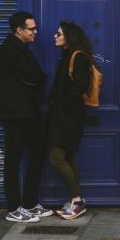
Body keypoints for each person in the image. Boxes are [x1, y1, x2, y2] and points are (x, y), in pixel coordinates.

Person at [0, 11, 51, 223]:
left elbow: (38, 75)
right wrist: (32, 80)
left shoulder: (22, 49)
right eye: (32, 29)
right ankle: (13, 208)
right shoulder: (10, 49)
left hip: (27, 112)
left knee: (37, 154)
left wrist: (32, 80)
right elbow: (35, 75)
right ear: (20, 30)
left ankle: (29, 203)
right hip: (15, 114)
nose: (35, 32)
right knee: (13, 159)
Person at [47, 20, 92, 220]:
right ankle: (76, 199)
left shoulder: (78, 57)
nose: (55, 37)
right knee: (69, 156)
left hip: (69, 117)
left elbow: (80, 86)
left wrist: (63, 104)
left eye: (59, 34)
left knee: (56, 158)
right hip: (65, 116)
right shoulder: (67, 55)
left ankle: (77, 200)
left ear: (69, 36)